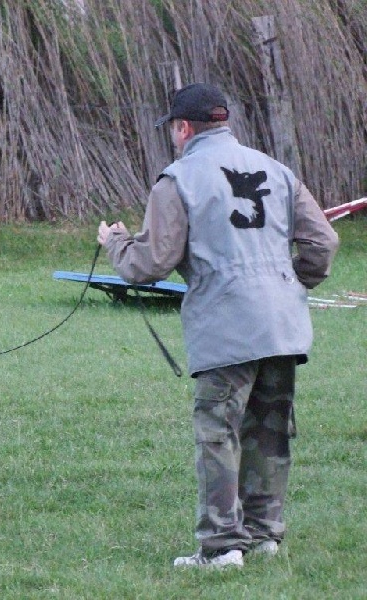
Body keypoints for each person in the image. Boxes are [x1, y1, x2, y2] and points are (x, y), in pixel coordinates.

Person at [97, 83, 339, 568]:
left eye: (173, 128)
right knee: (269, 429)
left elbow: (152, 263)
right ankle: (265, 533)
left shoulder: (178, 179)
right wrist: (292, 284)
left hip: (226, 325)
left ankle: (222, 546)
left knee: (218, 433)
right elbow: (323, 243)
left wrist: (117, 244)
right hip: (282, 324)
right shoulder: (278, 170)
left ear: (183, 128)